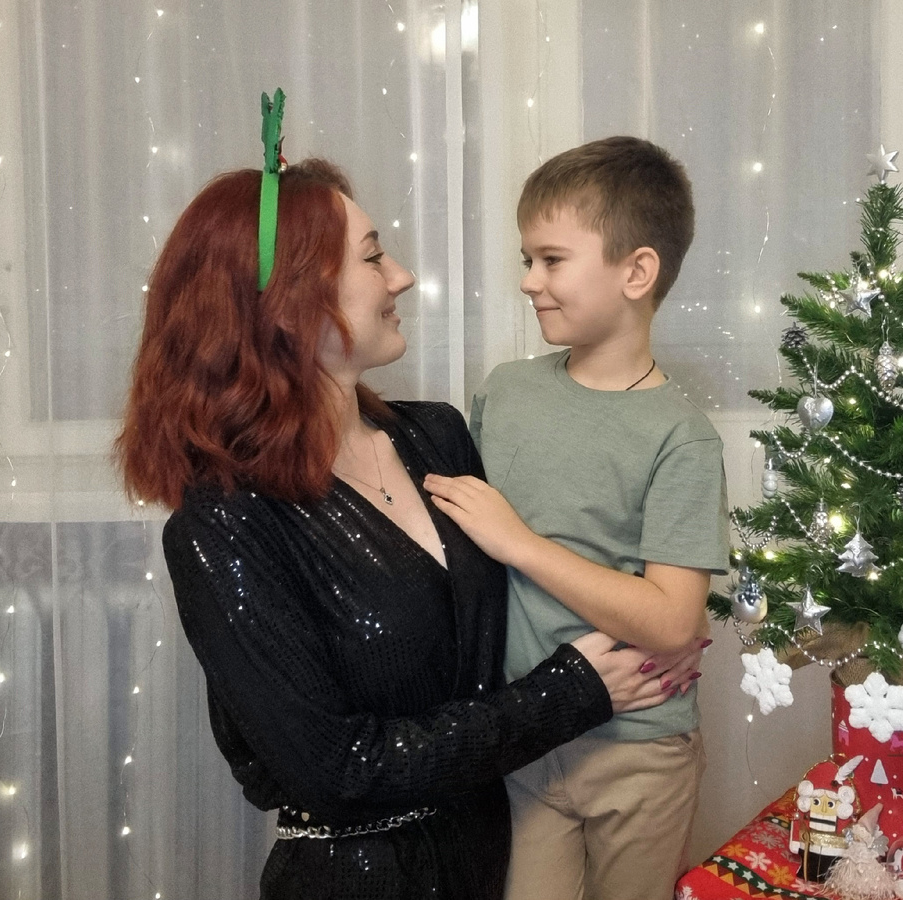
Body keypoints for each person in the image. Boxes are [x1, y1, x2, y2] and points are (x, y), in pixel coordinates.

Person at [115, 155, 679, 900]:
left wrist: (650, 619)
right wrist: (572, 691)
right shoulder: (224, 526)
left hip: (493, 857)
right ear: (289, 302)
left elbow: (536, 582)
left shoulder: (436, 437)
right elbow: (340, 771)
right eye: (374, 256)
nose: (403, 277)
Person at [424, 136, 730, 900]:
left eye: (552, 260)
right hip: (522, 737)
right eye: (527, 259)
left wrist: (521, 545)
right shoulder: (506, 391)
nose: (529, 281)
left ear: (637, 272)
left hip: (637, 750)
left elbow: (671, 622)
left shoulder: (681, 438)